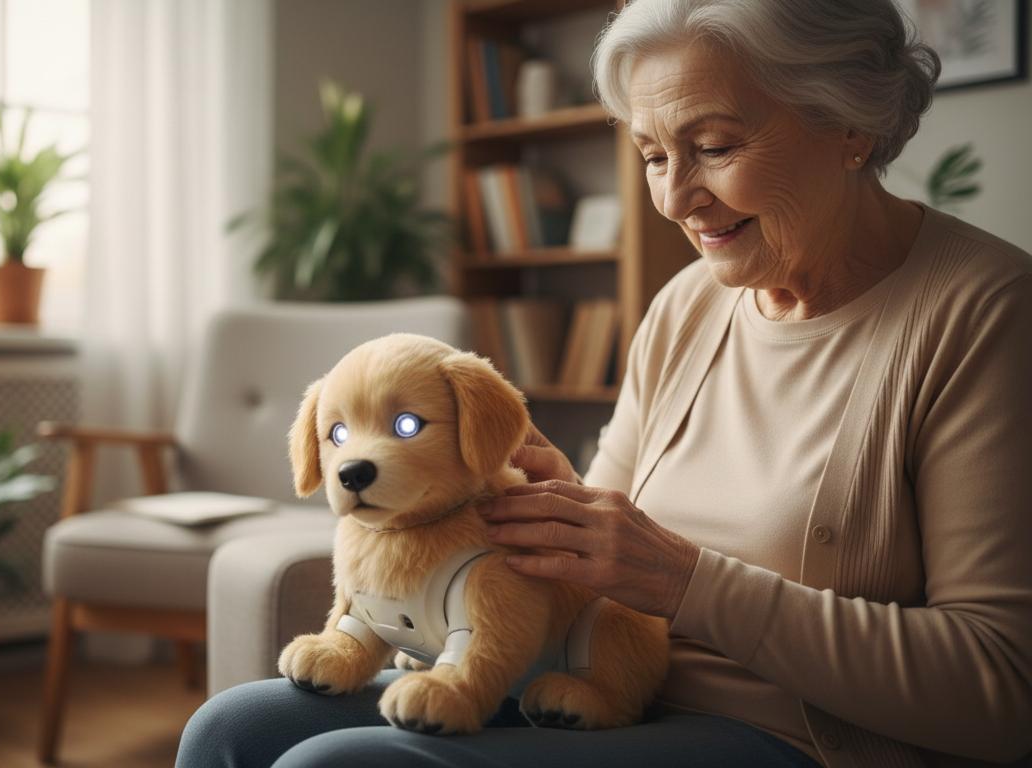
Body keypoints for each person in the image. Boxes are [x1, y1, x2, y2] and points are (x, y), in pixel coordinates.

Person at [176, 1, 1032, 765]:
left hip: (796, 737)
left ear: (850, 125)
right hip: (601, 689)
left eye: (715, 147)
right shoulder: (690, 304)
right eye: (655, 155)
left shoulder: (986, 315)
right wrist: (559, 509)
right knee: (233, 730)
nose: (677, 198)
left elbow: (1004, 691)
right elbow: (612, 560)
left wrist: (686, 584)